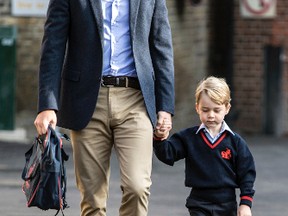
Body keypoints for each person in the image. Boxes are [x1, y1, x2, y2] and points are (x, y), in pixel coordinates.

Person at [34, 0, 175, 215]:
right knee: (93, 198)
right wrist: (47, 105)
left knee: (137, 187)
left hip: (135, 100)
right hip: (87, 100)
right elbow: (53, 46)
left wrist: (165, 106)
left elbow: (161, 45)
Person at [153, 76, 256, 216]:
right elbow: (168, 154)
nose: (211, 115)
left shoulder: (236, 142)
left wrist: (245, 204)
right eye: (205, 110)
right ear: (197, 108)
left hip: (227, 204)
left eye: (217, 110)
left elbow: (247, 174)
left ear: (227, 108)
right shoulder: (188, 137)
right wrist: (159, 138)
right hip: (198, 203)